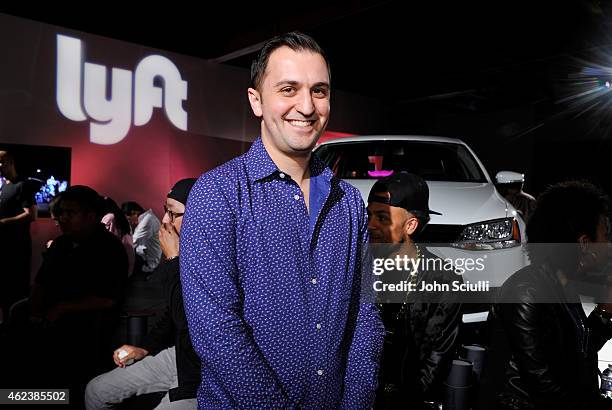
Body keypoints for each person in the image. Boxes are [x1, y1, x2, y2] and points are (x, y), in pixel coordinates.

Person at [180, 32, 385, 408]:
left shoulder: (350, 202)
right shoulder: (217, 194)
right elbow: (217, 333)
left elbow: (364, 316)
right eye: (288, 89)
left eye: (319, 91)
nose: (307, 106)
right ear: (256, 101)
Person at [491, 180, 612, 410]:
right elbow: (546, 389)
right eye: (605, 235)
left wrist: (605, 310)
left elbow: (575, 350)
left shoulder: (562, 284)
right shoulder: (527, 293)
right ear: (584, 244)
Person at [0, 185, 128, 401]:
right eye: (62, 212)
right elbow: (41, 281)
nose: (63, 218)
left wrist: (61, 308)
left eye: (71, 213)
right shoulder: (61, 244)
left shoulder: (109, 249)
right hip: (49, 317)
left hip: (84, 324)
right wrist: (34, 310)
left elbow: (108, 299)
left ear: (91, 216)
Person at [86, 178, 199, 409]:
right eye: (165, 211)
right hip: (181, 357)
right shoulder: (187, 253)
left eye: (173, 214)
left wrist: (173, 262)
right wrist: (145, 346)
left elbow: (190, 322)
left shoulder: (221, 257)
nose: (165, 221)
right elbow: (170, 316)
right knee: (96, 391)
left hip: (205, 371)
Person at [367, 172, 463, 409]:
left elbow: (436, 358)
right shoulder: (355, 267)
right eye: (368, 215)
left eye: (382, 217)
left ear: (410, 225)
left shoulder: (443, 278)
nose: (370, 225)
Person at [0, 150, 37, 321]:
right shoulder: (4, 185)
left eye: (1, 162)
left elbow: (32, 215)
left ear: (10, 162)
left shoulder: (23, 185)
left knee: (15, 291)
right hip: (5, 246)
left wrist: (4, 222)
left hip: (17, 248)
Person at [122, 201, 162, 275]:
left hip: (149, 262)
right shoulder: (147, 218)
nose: (130, 222)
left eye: (129, 219)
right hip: (145, 255)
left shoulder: (147, 221)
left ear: (134, 213)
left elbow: (133, 241)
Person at [102, 196, 135, 276]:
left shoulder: (109, 217)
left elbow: (104, 240)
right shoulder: (120, 216)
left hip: (117, 261)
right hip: (127, 257)